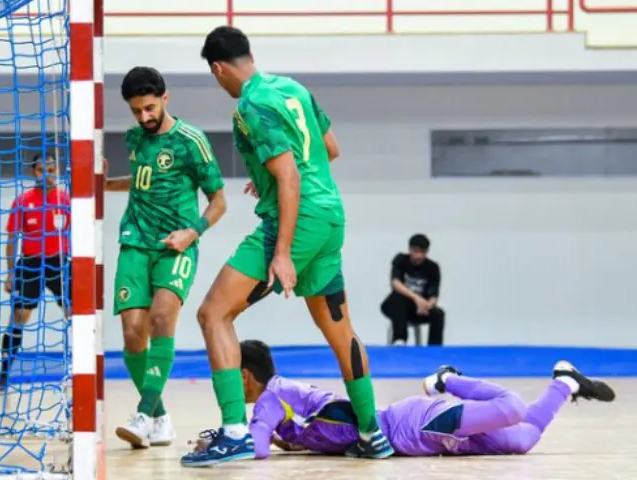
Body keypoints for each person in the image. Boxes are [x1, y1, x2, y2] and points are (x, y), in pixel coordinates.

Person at [181, 26, 393, 467]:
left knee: (213, 313)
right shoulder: (292, 87)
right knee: (340, 331)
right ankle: (372, 433)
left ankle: (235, 431)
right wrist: (271, 183)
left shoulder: (251, 105)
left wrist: (281, 251)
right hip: (331, 216)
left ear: (218, 69)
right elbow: (329, 149)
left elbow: (290, 176)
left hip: (298, 225)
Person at [192, 340, 616, 459]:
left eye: (228, 375)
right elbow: (305, 436)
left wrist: (231, 436)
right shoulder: (283, 408)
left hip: (411, 425)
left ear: (243, 374)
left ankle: (447, 378)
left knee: (512, 409)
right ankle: (565, 382)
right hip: (427, 443)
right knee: (523, 439)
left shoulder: (271, 400)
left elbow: (258, 450)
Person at [106, 66, 227, 449]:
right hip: (134, 243)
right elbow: (144, 179)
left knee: (161, 319)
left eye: (149, 108)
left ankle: (142, 414)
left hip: (175, 246)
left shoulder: (191, 140)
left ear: (165, 98)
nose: (144, 117)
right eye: (136, 110)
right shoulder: (134, 138)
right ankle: (160, 419)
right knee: (131, 334)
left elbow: (219, 201)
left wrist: (192, 232)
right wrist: (105, 184)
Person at [0, 153, 71, 390]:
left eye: (51, 168)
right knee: (19, 317)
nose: (47, 174)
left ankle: (80, 371)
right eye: (41, 169)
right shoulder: (23, 200)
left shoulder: (65, 199)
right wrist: (10, 273)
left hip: (59, 264)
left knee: (75, 315)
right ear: (33, 172)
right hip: (29, 264)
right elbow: (12, 237)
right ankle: (4, 373)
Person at [381, 233, 445, 346]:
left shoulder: (433, 268)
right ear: (409, 249)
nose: (418, 256)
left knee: (438, 314)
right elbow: (396, 283)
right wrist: (416, 299)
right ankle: (399, 339)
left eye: (422, 252)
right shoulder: (400, 260)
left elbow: (434, 295)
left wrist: (427, 306)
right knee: (399, 298)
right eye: (415, 251)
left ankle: (435, 348)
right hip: (396, 306)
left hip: (418, 310)